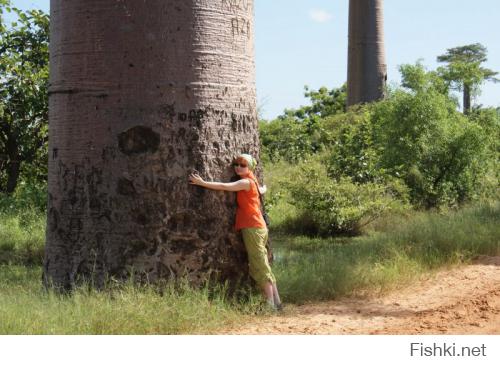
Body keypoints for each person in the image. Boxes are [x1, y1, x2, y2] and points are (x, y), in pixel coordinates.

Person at [189, 153, 282, 310]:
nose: (238, 168)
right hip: (259, 227)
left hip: (253, 227)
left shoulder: (245, 182)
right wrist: (264, 189)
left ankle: (271, 304)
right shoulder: (253, 180)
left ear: (250, 167)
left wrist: (202, 182)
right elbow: (261, 189)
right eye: (236, 165)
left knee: (259, 264)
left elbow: (225, 187)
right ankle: (277, 303)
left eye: (243, 165)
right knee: (262, 263)